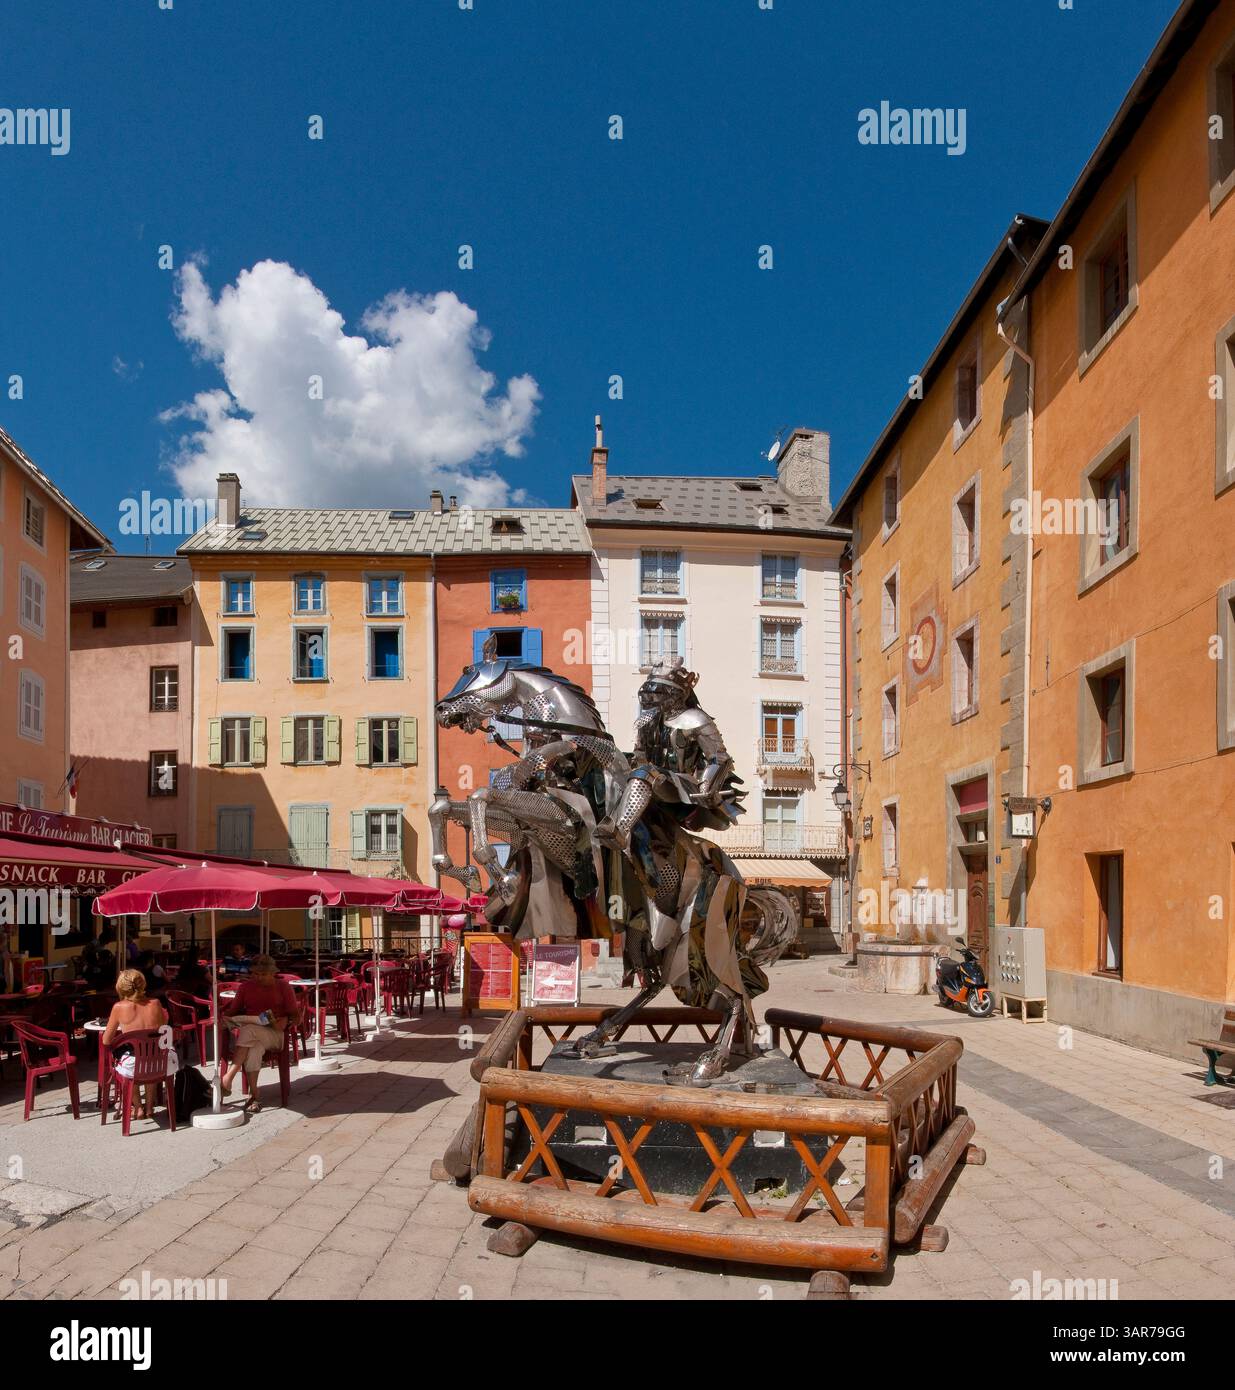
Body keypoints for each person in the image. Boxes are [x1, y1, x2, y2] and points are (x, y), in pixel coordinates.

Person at [220, 955, 296, 1113]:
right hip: (253, 1035)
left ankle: (228, 1077)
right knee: (253, 1049)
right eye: (255, 974)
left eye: (263, 974)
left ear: (273, 973)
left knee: (248, 1030)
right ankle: (254, 1094)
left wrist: (285, 1020)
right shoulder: (245, 987)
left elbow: (296, 1016)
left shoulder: (283, 987)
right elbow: (233, 1011)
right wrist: (224, 1018)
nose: (259, 977)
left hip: (275, 1035)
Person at [101, 969, 179, 1120]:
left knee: (130, 1057)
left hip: (134, 1066)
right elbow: (163, 1028)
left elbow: (106, 1041)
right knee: (150, 1053)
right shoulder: (155, 1003)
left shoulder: (118, 1007)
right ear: (142, 984)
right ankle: (149, 1107)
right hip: (160, 1062)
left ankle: (138, 1108)